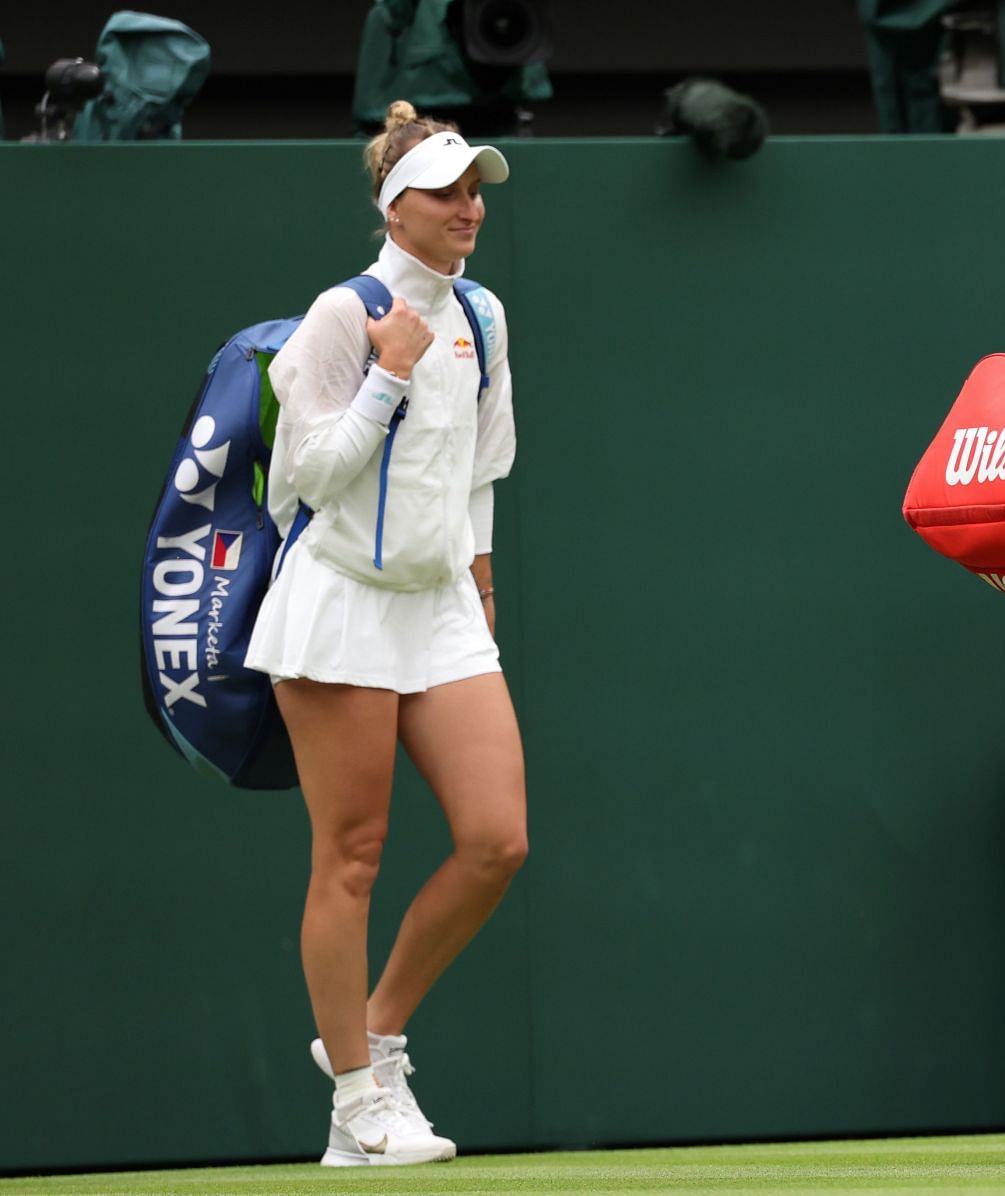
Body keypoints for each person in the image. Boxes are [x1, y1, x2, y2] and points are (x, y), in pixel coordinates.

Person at [243, 99, 524, 1168]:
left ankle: (377, 1034)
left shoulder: (487, 316)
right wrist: (390, 369)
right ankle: (357, 1101)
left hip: (443, 601)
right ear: (394, 209)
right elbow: (308, 475)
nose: (470, 209)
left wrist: (481, 588)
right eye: (449, 193)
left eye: (476, 192)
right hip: (339, 603)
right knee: (351, 856)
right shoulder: (337, 316)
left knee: (497, 839)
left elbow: (483, 467)